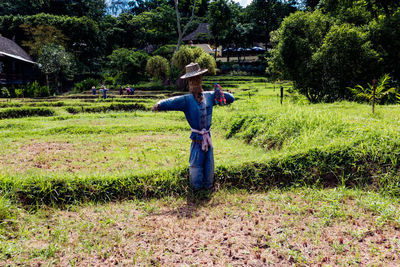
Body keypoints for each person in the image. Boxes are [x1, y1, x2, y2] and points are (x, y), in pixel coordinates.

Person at [153, 62, 234, 191]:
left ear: (201, 79)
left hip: (207, 136)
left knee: (209, 164)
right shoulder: (186, 100)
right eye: (192, 80)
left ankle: (208, 187)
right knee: (196, 164)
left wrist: (220, 93)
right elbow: (171, 102)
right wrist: (159, 104)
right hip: (197, 138)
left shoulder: (209, 96)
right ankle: (196, 189)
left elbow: (231, 98)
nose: (195, 82)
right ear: (189, 82)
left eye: (197, 78)